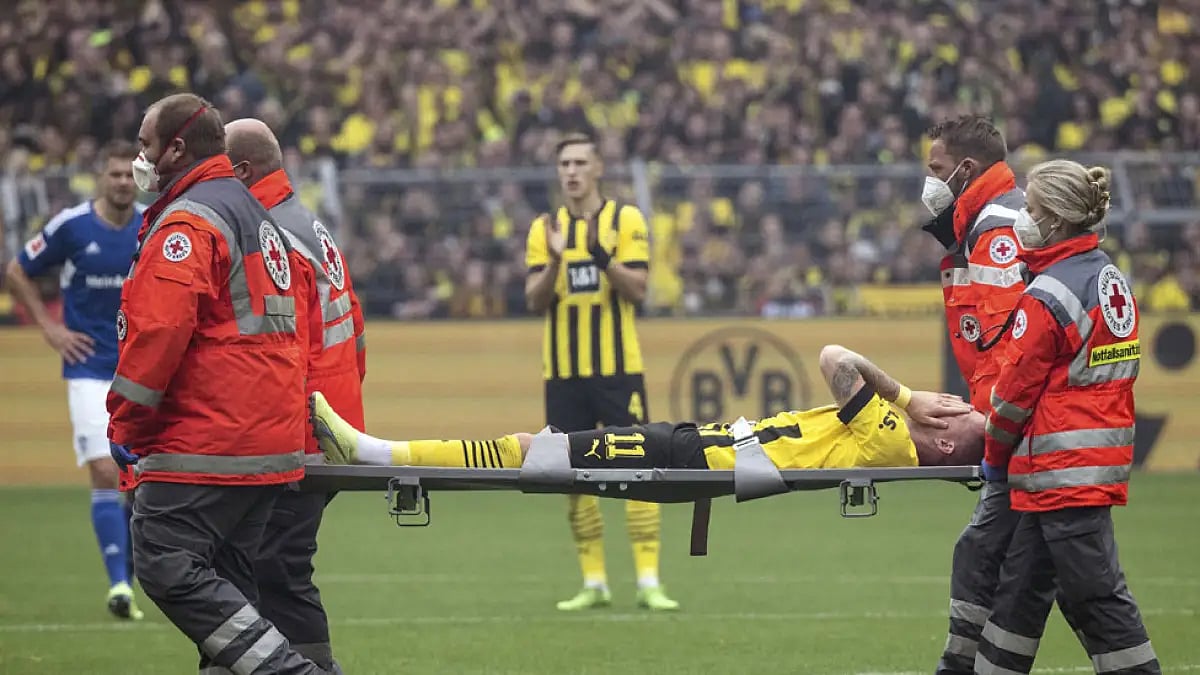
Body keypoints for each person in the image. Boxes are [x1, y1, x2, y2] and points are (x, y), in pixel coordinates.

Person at [106, 92, 328, 674]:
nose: (140, 159)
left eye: (146, 146)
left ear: (176, 148)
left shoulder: (189, 221)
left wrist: (124, 423)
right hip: (268, 443)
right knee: (231, 585)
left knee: (162, 561)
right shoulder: (257, 213)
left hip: (210, 441)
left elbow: (157, 334)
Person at [973, 161, 1159, 674]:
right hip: (1087, 465)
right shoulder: (1109, 279)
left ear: (1056, 218)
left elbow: (1012, 397)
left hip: (1061, 470)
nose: (1023, 219)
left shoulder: (1048, 293)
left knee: (1097, 600)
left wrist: (993, 456)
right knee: (1018, 597)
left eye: (1031, 210)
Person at [310, 344, 982, 473]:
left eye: (956, 412)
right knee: (539, 449)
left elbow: (837, 357)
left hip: (694, 455)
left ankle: (375, 452)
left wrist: (910, 396)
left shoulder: (893, 435)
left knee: (536, 450)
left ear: (946, 443)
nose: (947, 403)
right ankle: (378, 449)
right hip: (698, 446)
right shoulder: (888, 439)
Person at [226, 117, 366, 674]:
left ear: (241, 170)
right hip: (329, 423)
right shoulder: (306, 222)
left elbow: (282, 352)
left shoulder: (269, 233)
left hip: (300, 434)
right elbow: (355, 330)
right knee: (273, 565)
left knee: (274, 567)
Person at [524, 132, 674, 611]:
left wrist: (599, 254)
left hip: (618, 370)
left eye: (579, 162)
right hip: (563, 373)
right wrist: (552, 260)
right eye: (564, 163)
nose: (571, 171)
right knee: (570, 470)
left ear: (598, 168)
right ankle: (594, 582)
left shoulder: (625, 219)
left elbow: (638, 290)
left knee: (642, 464)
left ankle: (649, 580)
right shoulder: (543, 227)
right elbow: (534, 300)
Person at [4, 140, 145, 620]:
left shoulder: (152, 225)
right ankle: (120, 585)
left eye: (130, 174)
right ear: (99, 178)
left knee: (143, 477)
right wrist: (50, 327)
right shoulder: (71, 226)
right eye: (115, 174)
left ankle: (137, 565)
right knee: (106, 469)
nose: (123, 182)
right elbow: (17, 270)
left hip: (142, 369)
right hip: (88, 366)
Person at [919, 115, 1032, 674]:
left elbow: (1015, 344)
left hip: (1023, 431)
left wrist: (997, 427)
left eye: (936, 170)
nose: (930, 182)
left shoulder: (997, 228)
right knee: (1018, 567)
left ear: (966, 168)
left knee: (993, 555)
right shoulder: (980, 226)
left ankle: (961, 666)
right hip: (1018, 428)